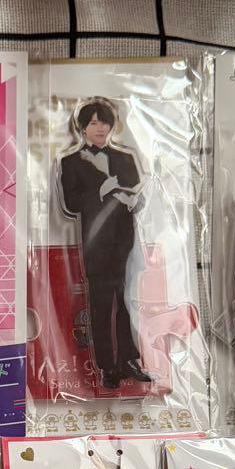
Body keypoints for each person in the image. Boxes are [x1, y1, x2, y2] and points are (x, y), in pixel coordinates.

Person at [58, 97, 150, 390]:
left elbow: (139, 196)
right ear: (82, 127)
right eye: (93, 122)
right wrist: (102, 189)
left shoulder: (125, 158)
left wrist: (134, 201)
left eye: (104, 122)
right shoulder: (70, 161)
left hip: (125, 241)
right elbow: (71, 203)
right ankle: (107, 366)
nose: (100, 128)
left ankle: (128, 360)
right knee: (99, 303)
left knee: (126, 301)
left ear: (112, 126)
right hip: (95, 244)